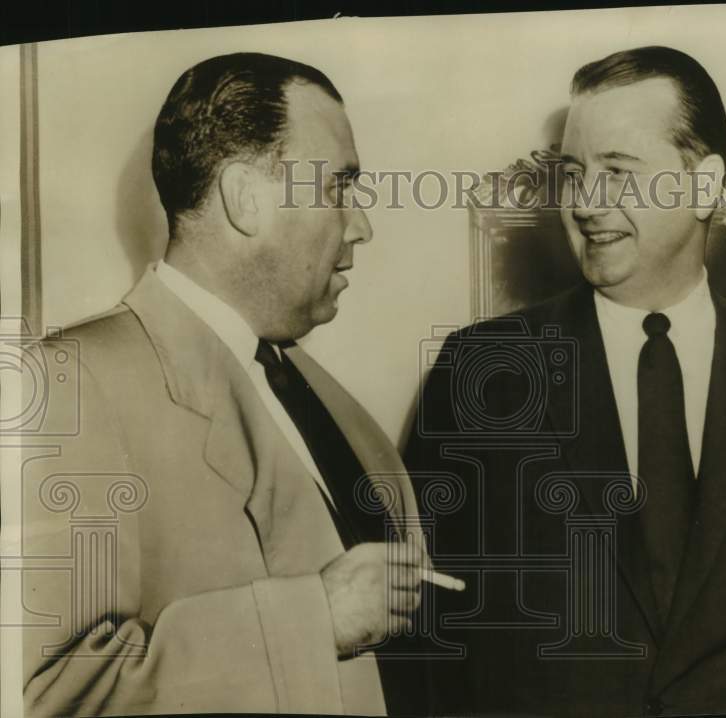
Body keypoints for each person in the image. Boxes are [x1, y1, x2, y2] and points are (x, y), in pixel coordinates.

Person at [406, 46, 726, 716]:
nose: (585, 204)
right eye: (573, 174)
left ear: (704, 185)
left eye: (618, 172)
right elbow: (430, 639)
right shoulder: (481, 373)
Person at [21, 53, 429, 716]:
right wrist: (313, 619)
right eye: (337, 188)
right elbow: (52, 693)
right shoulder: (68, 384)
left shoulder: (321, 396)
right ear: (245, 199)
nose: (361, 226)